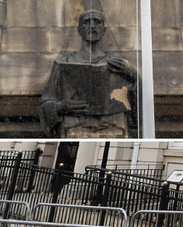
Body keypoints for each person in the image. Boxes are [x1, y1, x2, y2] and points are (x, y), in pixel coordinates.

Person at [40, 10, 139, 138]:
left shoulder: (120, 66)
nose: (92, 26)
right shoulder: (63, 63)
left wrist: (134, 76)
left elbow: (140, 109)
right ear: (79, 30)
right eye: (87, 22)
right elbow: (46, 103)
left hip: (113, 130)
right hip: (76, 130)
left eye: (97, 22)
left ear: (104, 30)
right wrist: (60, 106)